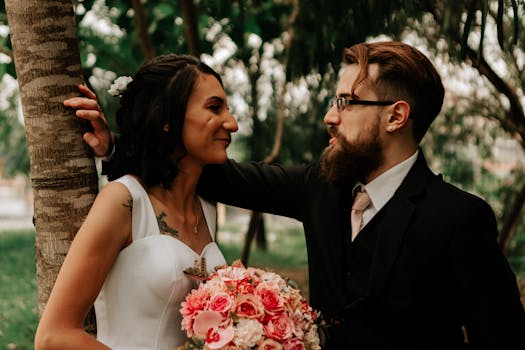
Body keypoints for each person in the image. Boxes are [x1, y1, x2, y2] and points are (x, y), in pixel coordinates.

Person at [74, 41, 525, 349]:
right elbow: (207, 170)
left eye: (346, 103)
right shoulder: (321, 187)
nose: (330, 116)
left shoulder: (460, 218)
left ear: (396, 117)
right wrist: (119, 145)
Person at [34, 53, 238, 349]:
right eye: (215, 108)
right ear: (166, 119)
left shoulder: (206, 207)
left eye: (227, 109)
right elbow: (54, 336)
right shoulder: (123, 201)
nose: (231, 123)